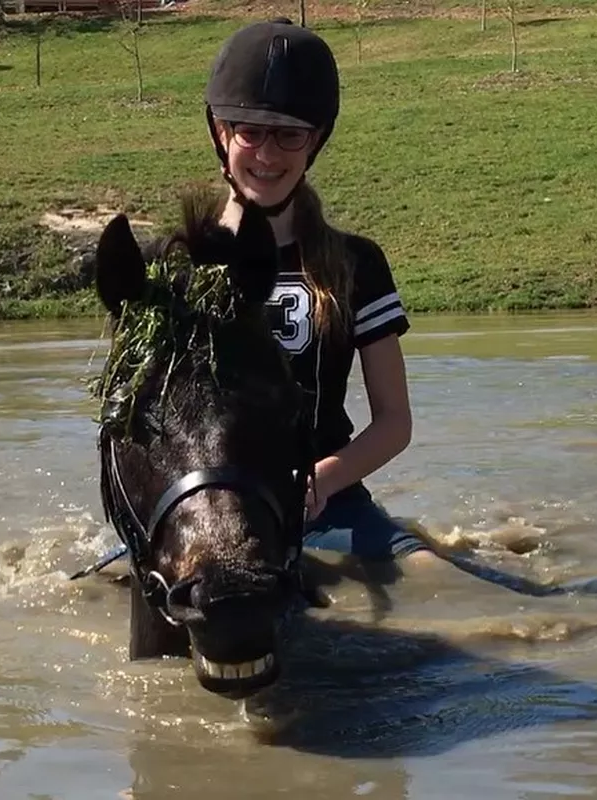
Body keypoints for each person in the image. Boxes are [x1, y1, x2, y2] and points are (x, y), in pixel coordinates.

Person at [203, 17, 440, 572]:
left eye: (289, 133)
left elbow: (394, 422)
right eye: (251, 131)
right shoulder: (180, 266)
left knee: (435, 579)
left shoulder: (359, 264)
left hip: (327, 508)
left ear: (316, 141)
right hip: (211, 506)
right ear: (221, 132)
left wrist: (318, 482)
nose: (267, 153)